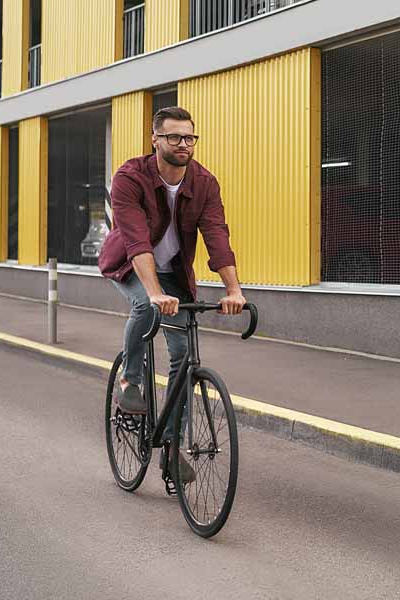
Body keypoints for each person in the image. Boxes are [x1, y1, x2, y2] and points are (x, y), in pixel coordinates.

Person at [98, 106, 247, 488]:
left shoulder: (204, 183)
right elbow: (135, 238)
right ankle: (131, 381)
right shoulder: (130, 177)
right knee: (144, 309)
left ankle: (172, 444)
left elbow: (217, 236)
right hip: (130, 266)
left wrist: (234, 290)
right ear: (155, 140)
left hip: (175, 274)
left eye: (189, 137)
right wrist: (152, 292)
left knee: (183, 355)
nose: (184, 144)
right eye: (175, 137)